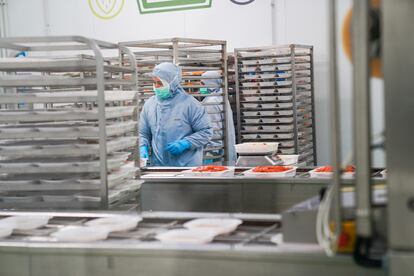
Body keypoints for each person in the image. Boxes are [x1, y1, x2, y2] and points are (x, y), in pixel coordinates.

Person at [139, 62, 213, 167]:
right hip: (158, 166)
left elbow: (206, 132)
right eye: (154, 83)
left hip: (186, 167)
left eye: (160, 83)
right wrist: (142, 146)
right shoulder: (150, 104)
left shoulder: (190, 104)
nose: (156, 87)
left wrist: (186, 143)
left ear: (172, 82)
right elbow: (143, 133)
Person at [200, 71, 237, 165]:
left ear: (210, 83)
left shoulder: (211, 102)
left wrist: (210, 153)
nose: (200, 86)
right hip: (226, 150)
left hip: (216, 155)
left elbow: (215, 129)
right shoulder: (221, 98)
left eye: (203, 83)